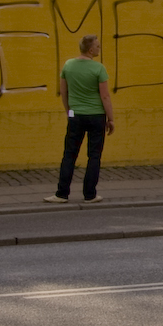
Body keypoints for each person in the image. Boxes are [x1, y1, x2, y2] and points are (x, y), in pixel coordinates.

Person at [45, 35, 114, 203]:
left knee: (69, 154)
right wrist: (110, 119)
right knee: (94, 155)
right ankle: (89, 194)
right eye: (97, 46)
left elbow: (64, 92)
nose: (99, 48)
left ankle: (62, 193)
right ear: (90, 49)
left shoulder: (68, 65)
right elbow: (105, 96)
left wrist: (70, 112)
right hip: (96, 116)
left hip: (75, 116)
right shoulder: (99, 69)